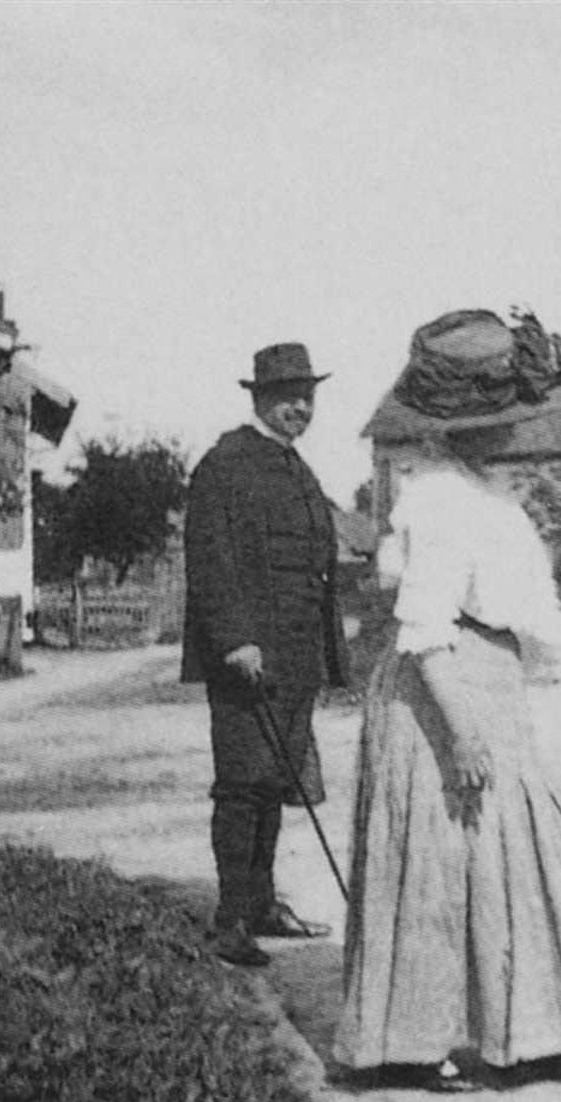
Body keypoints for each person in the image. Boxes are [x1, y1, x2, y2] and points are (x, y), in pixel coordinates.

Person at [332, 395, 561, 1094]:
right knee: (437, 861)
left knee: (510, 854)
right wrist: (460, 730)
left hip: (490, 677)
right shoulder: (436, 499)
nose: (514, 430)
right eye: (502, 417)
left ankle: (528, 1033)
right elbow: (425, 624)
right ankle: (408, 1045)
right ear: (468, 425)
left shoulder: (486, 492)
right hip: (444, 686)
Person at [183, 342, 347, 968]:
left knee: (277, 783)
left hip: (298, 657)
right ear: (257, 397)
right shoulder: (225, 464)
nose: (298, 407)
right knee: (242, 785)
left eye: (306, 396)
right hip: (249, 657)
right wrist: (233, 641)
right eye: (286, 396)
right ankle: (229, 920)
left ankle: (262, 904)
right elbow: (210, 559)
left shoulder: (295, 467)